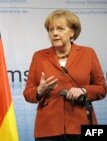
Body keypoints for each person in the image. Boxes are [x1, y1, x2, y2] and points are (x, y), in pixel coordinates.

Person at [23, 9, 106, 141]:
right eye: (51, 30)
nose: (54, 33)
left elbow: (102, 89)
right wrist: (39, 90)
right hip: (48, 128)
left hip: (83, 124)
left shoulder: (88, 53)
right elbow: (28, 93)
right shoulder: (39, 56)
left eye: (60, 29)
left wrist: (83, 90)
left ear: (72, 32)